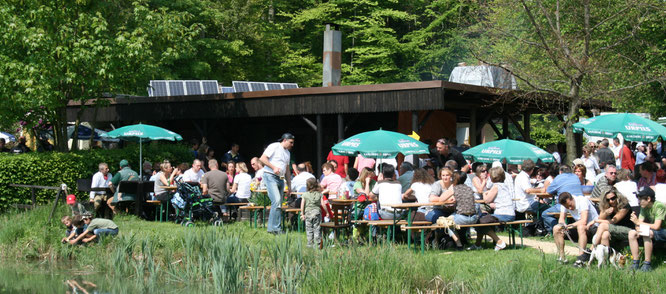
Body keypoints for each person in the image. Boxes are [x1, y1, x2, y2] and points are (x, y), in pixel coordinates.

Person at [468, 166, 513, 251]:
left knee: (479, 222)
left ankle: (499, 242)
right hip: (510, 213)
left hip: (503, 214)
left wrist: (484, 193)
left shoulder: (496, 186)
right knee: (483, 220)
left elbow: (486, 200)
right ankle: (477, 245)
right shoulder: (503, 185)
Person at [260, 133, 294, 235]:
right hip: (270, 175)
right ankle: (276, 228)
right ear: (284, 140)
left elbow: (287, 170)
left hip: (280, 178)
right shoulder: (274, 146)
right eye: (291, 142)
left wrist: (289, 185)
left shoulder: (287, 153)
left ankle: (272, 228)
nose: (292, 144)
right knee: (277, 200)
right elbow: (262, 158)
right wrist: (273, 167)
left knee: (278, 203)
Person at [553, 192, 599, 267]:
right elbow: (561, 219)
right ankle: (562, 257)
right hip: (579, 226)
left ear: (572, 199)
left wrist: (569, 226)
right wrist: (562, 225)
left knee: (581, 226)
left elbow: (584, 221)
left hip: (594, 227)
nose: (570, 208)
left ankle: (581, 259)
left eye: (570, 205)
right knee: (556, 228)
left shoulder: (582, 201)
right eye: (567, 207)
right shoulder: (565, 204)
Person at [628, 187, 665, 272]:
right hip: (655, 231)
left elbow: (657, 226)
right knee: (631, 233)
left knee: (646, 232)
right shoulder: (643, 207)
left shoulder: (659, 206)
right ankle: (635, 263)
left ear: (648, 199)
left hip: (663, 231)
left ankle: (647, 264)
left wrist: (638, 223)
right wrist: (637, 228)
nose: (638, 201)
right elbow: (638, 224)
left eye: (640, 198)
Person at [542, 165, 584, 233]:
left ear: (560, 172)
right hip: (578, 204)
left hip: (565, 204)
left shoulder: (559, 177)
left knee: (545, 214)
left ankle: (555, 231)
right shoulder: (575, 177)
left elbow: (548, 191)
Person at [448, 171, 478, 249]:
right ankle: (463, 241)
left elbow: (441, 199)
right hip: (474, 218)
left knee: (447, 223)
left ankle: (459, 245)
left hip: (462, 218)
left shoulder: (454, 189)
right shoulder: (469, 188)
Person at [301, 178, 325, 248]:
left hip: (308, 213)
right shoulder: (320, 194)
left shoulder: (305, 195)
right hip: (317, 213)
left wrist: (302, 214)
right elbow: (323, 204)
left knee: (309, 229)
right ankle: (317, 244)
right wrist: (327, 212)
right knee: (317, 228)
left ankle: (309, 244)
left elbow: (302, 205)